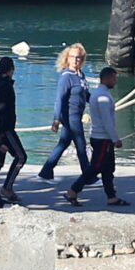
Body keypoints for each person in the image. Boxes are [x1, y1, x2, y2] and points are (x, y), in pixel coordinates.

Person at [64, 67, 129, 207]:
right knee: (96, 167)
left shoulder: (98, 94)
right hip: (103, 139)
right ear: (106, 78)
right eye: (113, 78)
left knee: (108, 168)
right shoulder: (103, 97)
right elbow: (107, 121)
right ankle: (73, 190)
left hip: (101, 137)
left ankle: (111, 196)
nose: (115, 81)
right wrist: (115, 139)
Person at [39, 43, 91, 180]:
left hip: (77, 114)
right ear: (67, 58)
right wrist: (56, 119)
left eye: (78, 57)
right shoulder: (66, 76)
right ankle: (88, 176)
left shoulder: (80, 75)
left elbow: (86, 95)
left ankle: (46, 172)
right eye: (72, 57)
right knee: (81, 145)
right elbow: (59, 99)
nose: (75, 60)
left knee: (64, 143)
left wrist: (101, 103)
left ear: (82, 59)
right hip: (70, 115)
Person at [0, 56, 26, 203]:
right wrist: (0, 133)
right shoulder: (5, 86)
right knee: (21, 157)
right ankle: (7, 188)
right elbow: (2, 110)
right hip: (5, 129)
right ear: (11, 70)